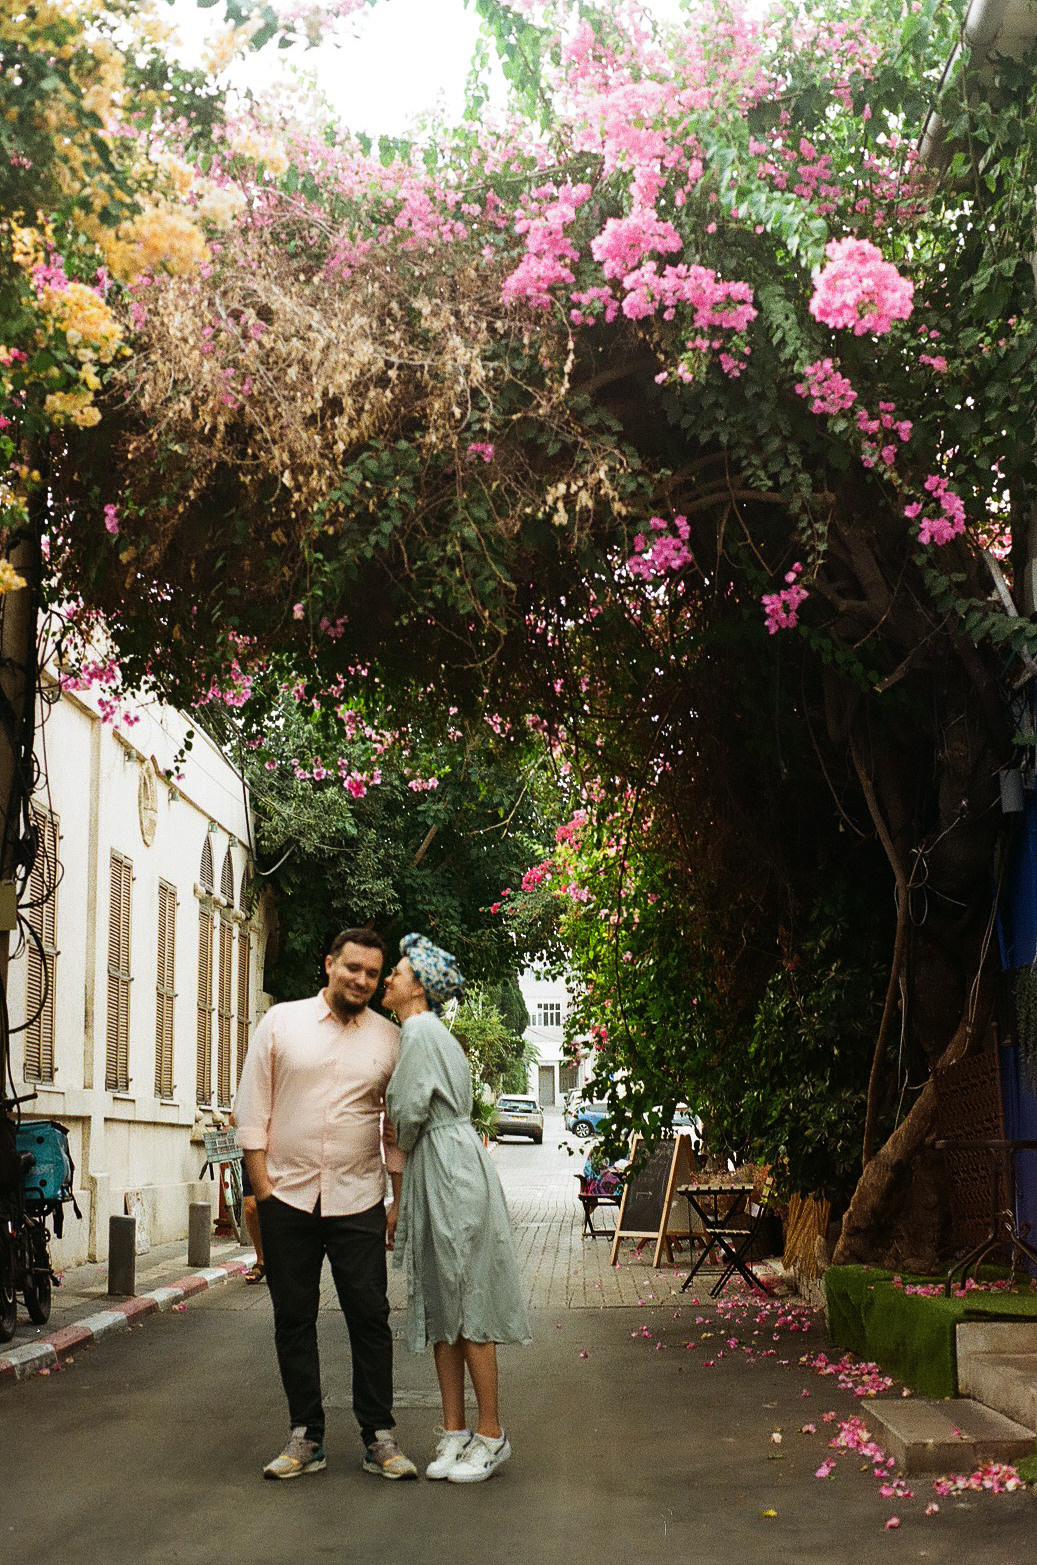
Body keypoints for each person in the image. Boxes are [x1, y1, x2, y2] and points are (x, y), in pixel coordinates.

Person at [233, 928, 417, 1482]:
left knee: (370, 1316)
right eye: (352, 968)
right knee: (294, 1317)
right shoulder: (280, 1023)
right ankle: (305, 1436)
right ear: (330, 964)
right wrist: (263, 1192)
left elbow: (393, 1128)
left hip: (358, 1199)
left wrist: (397, 1198)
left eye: (372, 973)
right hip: (287, 1197)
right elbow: (253, 1109)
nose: (362, 980)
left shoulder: (389, 1039)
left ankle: (379, 1437)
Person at [384, 934, 531, 1485]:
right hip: (442, 1164)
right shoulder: (422, 1031)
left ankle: (491, 1433)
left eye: (398, 972)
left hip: (448, 1169)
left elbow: (406, 1111)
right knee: (444, 1306)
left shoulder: (420, 1031)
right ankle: (455, 1431)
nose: (389, 979)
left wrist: (398, 1175)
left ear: (420, 987)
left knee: (466, 1301)